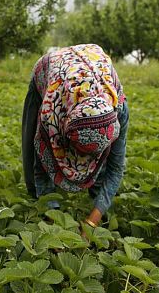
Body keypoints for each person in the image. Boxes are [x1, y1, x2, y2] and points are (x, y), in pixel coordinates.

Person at [21, 44, 129, 229]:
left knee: (101, 165)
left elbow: (115, 168)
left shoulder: (117, 112)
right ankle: (38, 203)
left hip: (92, 68)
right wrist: (53, 224)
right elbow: (41, 164)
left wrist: (91, 222)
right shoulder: (51, 114)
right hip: (52, 69)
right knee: (31, 147)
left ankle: (99, 205)